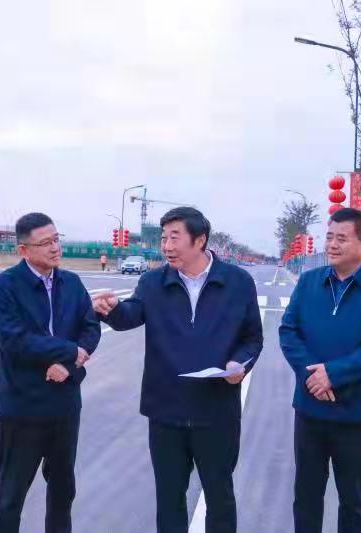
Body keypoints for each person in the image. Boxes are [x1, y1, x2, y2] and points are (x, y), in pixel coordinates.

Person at [92, 207, 263, 533]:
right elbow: (130, 315)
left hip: (216, 412)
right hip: (166, 412)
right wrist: (111, 310)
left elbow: (252, 337)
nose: (167, 246)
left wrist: (240, 364)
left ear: (200, 240)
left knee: (220, 497)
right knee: (169, 498)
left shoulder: (237, 282)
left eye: (175, 237)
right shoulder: (153, 282)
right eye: (164, 238)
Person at [279, 208, 361, 533]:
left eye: (342, 238)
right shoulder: (310, 282)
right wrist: (311, 376)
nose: (332, 245)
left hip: (356, 413)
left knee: (353, 501)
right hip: (310, 409)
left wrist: (333, 374)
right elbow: (289, 331)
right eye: (330, 237)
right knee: (306, 496)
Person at [0, 213, 101, 533]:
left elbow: (90, 329)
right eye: (45, 243)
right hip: (24, 406)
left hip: (65, 405)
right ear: (24, 250)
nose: (55, 248)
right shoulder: (5, 287)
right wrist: (66, 352)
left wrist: (67, 365)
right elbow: (14, 339)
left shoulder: (72, 283)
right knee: (12, 495)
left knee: (63, 490)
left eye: (56, 239)